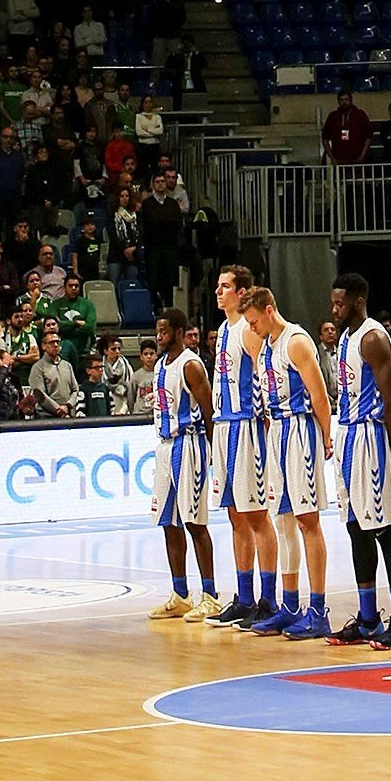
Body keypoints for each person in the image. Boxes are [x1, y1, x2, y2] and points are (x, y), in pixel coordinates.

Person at [243, 283, 335, 639]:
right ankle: (291, 604)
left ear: (269, 311)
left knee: (307, 520)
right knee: (282, 521)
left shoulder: (296, 341)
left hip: (300, 431)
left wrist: (326, 435)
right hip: (276, 432)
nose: (250, 328)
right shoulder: (265, 344)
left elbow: (319, 395)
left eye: (253, 321)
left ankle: (318, 609)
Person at [327, 276, 391, 647]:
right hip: (345, 433)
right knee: (354, 527)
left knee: (382, 527)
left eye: (340, 304)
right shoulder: (345, 337)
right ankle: (367, 618)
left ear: (358, 302)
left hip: (369, 437)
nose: (334, 310)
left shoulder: (373, 338)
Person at [206, 261, 273, 629]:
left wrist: (262, 427)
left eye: (225, 286)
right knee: (235, 516)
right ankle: (244, 597)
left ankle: (268, 598)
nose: (219, 292)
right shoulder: (224, 328)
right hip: (224, 427)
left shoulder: (248, 332)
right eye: (218, 286)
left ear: (242, 292)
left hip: (246, 427)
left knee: (257, 516)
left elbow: (263, 377)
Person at [147, 312, 219, 623]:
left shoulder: (190, 365)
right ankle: (180, 594)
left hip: (189, 445)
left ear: (178, 332)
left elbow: (208, 410)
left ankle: (211, 596)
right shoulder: (160, 364)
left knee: (195, 522)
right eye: (157, 330)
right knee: (168, 522)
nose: (159, 336)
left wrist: (215, 452)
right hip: (165, 447)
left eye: (164, 331)